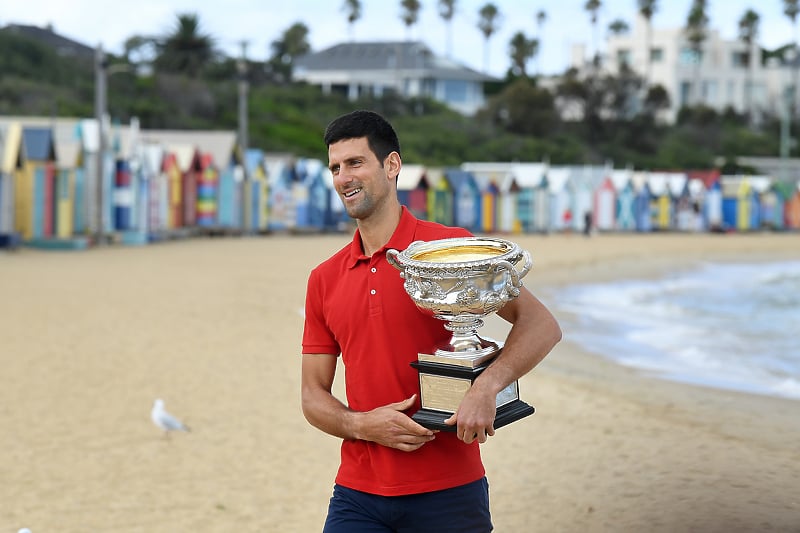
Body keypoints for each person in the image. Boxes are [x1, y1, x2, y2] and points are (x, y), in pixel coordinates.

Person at [301, 110, 562, 532]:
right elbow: (312, 396)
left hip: (449, 492)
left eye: (355, 163)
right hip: (357, 494)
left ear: (392, 166)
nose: (343, 177)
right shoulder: (324, 279)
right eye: (335, 167)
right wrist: (361, 424)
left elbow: (541, 325)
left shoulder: (449, 249)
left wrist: (487, 387)